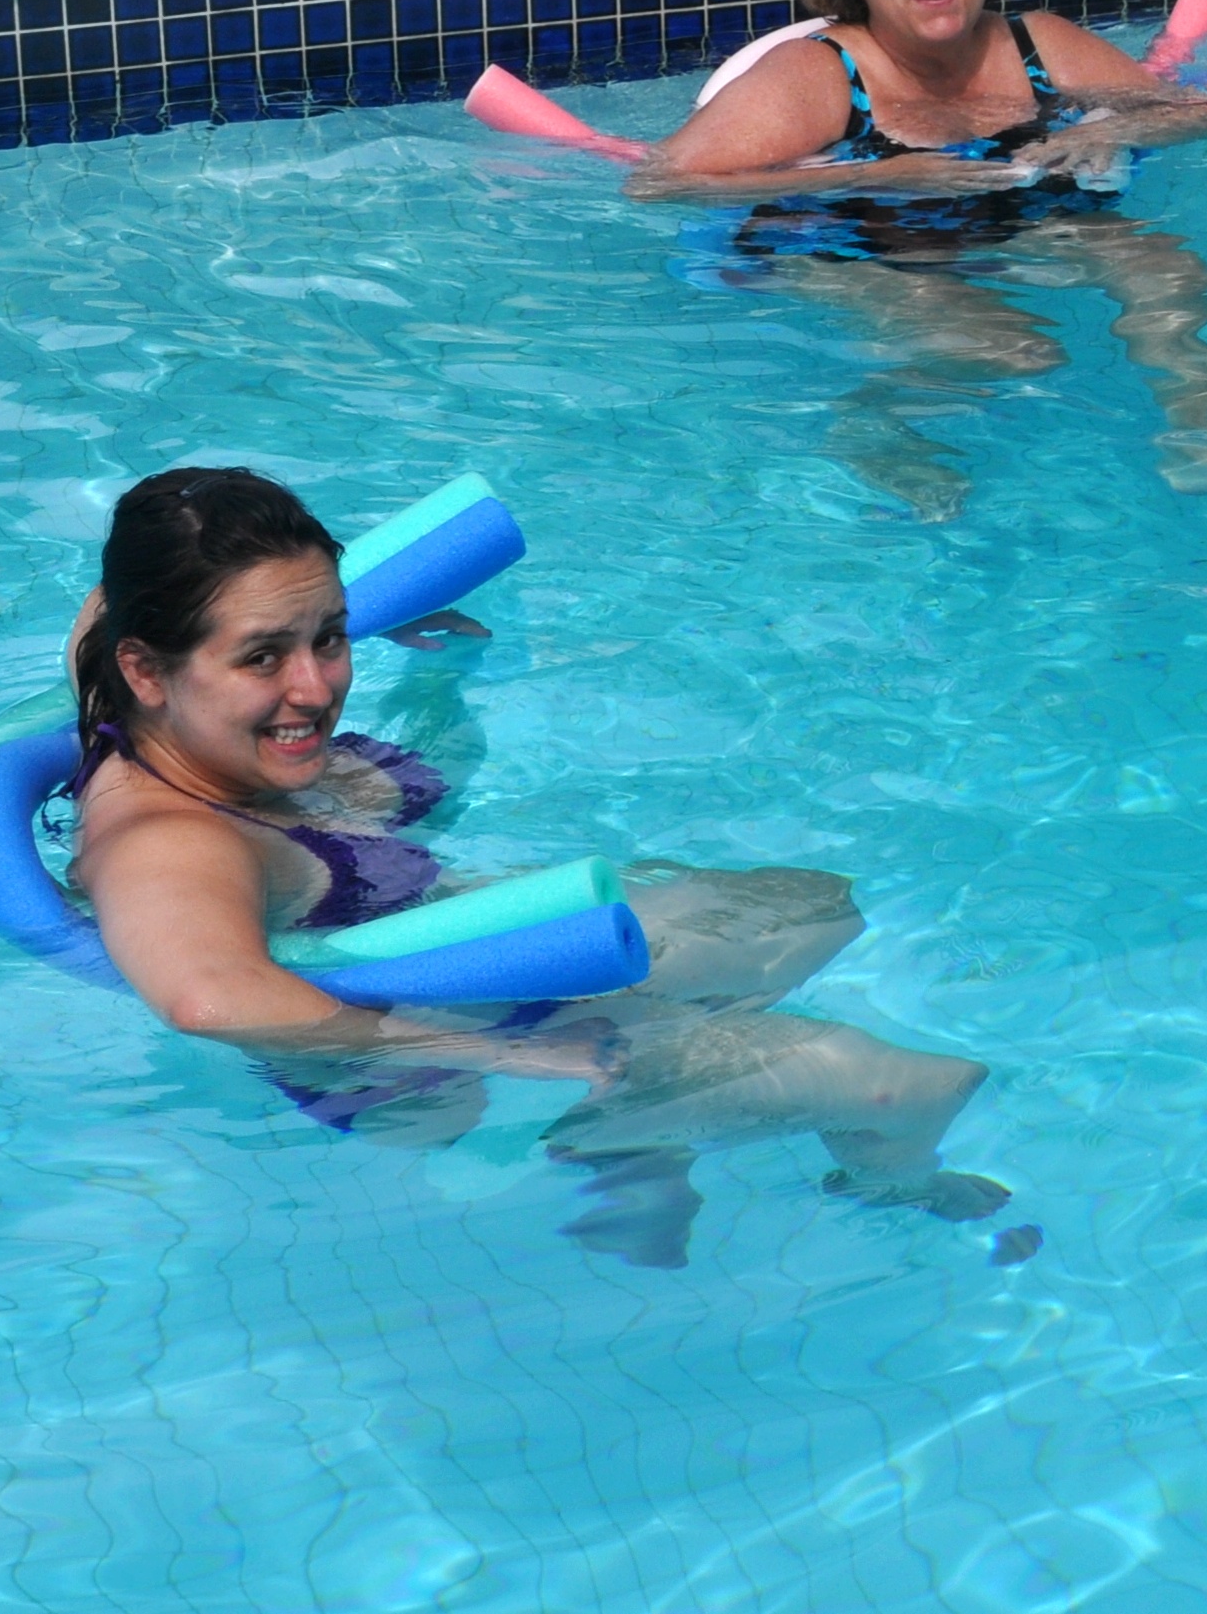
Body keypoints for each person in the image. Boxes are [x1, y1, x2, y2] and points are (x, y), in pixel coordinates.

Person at [67, 466, 1014, 1269]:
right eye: (264, 655)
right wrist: (522, 1057)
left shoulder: (130, 684)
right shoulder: (167, 844)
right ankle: (882, 1182)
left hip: (468, 963)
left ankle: (651, 1122)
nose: (316, 685)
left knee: (808, 908)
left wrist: (424, 661)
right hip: (451, 1066)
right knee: (915, 1081)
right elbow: (208, 999)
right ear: (147, 671)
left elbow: (106, 609)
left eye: (331, 635)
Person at [634, 0, 1207, 511]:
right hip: (840, 238)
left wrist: (1117, 127)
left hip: (998, 219)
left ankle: (1194, 438)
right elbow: (659, 184)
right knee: (1016, 351)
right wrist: (866, 177)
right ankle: (871, 415)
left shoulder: (1035, 43)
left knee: (1165, 267)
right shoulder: (817, 73)